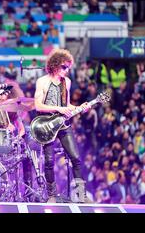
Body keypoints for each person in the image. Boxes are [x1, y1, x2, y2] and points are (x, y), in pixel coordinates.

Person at [33, 49, 92, 203]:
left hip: (63, 125)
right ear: (55, 65)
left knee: (76, 158)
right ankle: (52, 195)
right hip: (46, 124)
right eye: (64, 67)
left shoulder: (67, 82)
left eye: (68, 67)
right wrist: (58, 109)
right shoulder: (42, 82)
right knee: (49, 161)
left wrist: (80, 107)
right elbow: (38, 105)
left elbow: (66, 104)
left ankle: (80, 195)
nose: (67, 70)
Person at [0, 81, 36, 199]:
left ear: (9, 96)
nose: (1, 97)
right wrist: (0, 130)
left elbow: (22, 130)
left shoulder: (13, 114)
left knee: (26, 155)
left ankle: (28, 190)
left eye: (4, 94)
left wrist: (15, 136)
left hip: (11, 147)